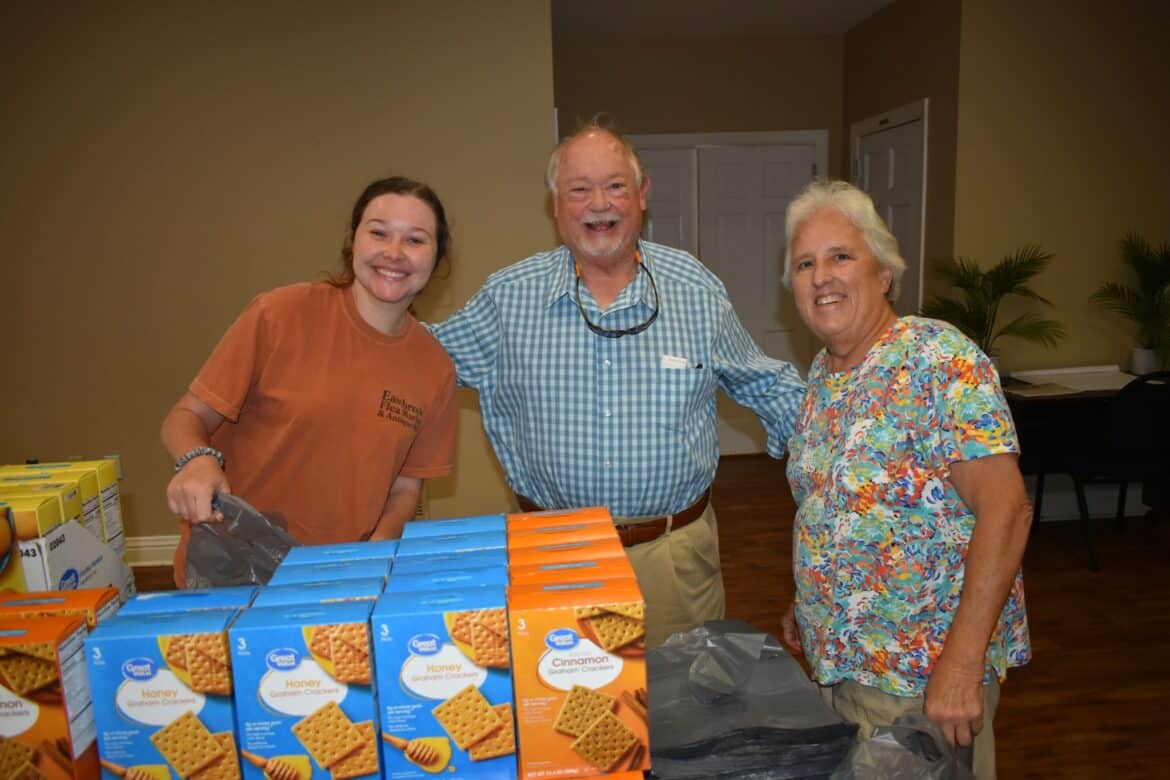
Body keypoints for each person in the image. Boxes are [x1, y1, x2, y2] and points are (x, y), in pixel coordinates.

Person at [430, 121, 805, 646]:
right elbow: (418, 365)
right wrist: (362, 311)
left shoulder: (694, 288)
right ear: (555, 204)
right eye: (579, 189)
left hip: (673, 563)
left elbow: (765, 384)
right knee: (561, 698)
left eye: (615, 186)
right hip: (553, 558)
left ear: (642, 193)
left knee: (683, 698)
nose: (599, 204)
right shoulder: (508, 297)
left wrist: (854, 422)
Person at [778, 180, 1032, 778]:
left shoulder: (937, 359)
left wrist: (962, 665)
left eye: (841, 256)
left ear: (884, 273)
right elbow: (839, 505)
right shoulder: (823, 374)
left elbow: (1008, 509)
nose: (821, 277)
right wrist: (812, 596)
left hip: (919, 685)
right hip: (841, 671)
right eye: (804, 264)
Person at [162, 176, 457, 586]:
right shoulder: (279, 314)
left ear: (436, 256)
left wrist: (378, 549)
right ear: (353, 240)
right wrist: (197, 461)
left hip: (338, 579)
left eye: (415, 239)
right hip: (231, 566)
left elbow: (406, 488)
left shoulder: (435, 367)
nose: (394, 252)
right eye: (378, 233)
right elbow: (185, 416)